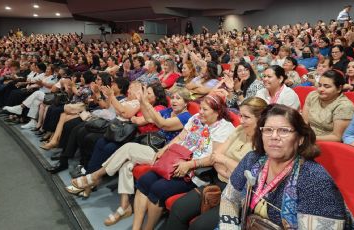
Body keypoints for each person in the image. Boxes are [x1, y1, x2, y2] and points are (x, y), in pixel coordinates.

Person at [65, 88, 192, 226]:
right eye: (172, 97)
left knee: (128, 148)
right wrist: (143, 102)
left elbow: (162, 124)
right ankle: (124, 207)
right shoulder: (168, 111)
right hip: (152, 146)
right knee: (126, 165)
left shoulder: (186, 117)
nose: (174, 100)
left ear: (186, 103)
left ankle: (94, 176)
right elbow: (148, 118)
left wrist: (145, 102)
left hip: (164, 153)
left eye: (178, 98)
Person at [220, 104, 354, 229]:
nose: (274, 136)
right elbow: (229, 199)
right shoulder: (252, 159)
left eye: (284, 131)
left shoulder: (315, 179)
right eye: (268, 130)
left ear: (300, 138)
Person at [132, 93, 235, 230]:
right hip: (174, 160)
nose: (200, 112)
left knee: (157, 189)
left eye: (205, 110)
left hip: (193, 171)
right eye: (200, 108)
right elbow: (181, 138)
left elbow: (214, 157)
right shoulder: (196, 118)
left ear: (217, 112)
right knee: (145, 180)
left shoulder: (224, 128)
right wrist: (165, 148)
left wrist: (189, 164)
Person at [164, 97, 268, 230]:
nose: (241, 121)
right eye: (240, 115)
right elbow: (214, 156)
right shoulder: (239, 130)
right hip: (219, 183)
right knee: (178, 207)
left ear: (261, 119)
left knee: (199, 226)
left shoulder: (264, 142)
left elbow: (246, 176)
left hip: (239, 194)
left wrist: (224, 160)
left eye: (246, 117)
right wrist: (229, 168)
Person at [302, 70, 354, 141]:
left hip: (329, 144)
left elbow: (337, 137)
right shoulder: (313, 95)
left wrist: (308, 139)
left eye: (326, 87)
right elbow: (304, 123)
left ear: (339, 89)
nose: (321, 89)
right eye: (320, 85)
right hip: (308, 137)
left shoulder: (344, 106)